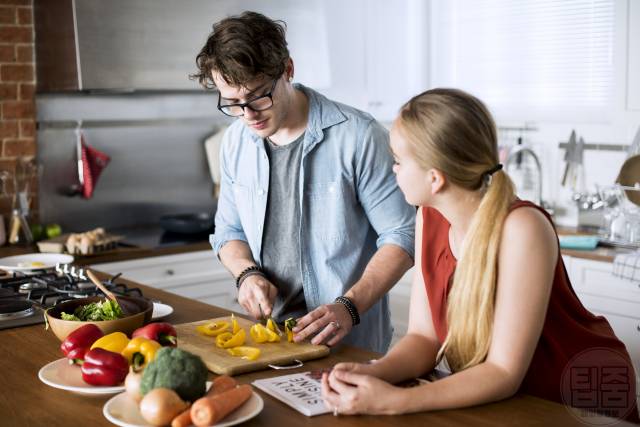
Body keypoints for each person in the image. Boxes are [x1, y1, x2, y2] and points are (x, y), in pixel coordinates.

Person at [321, 88, 640, 423]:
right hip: (502, 399)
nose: (393, 170)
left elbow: (503, 371)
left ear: (435, 178)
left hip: (575, 400)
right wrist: (375, 373)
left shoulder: (522, 227)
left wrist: (396, 401)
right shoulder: (428, 217)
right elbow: (424, 338)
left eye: (399, 161)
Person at [192, 11, 415, 353]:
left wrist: (349, 307)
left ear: (288, 70)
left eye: (257, 97)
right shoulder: (235, 141)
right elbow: (229, 232)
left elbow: (403, 235)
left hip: (348, 344)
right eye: (234, 104)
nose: (248, 115)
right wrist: (246, 273)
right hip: (269, 341)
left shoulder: (358, 137)